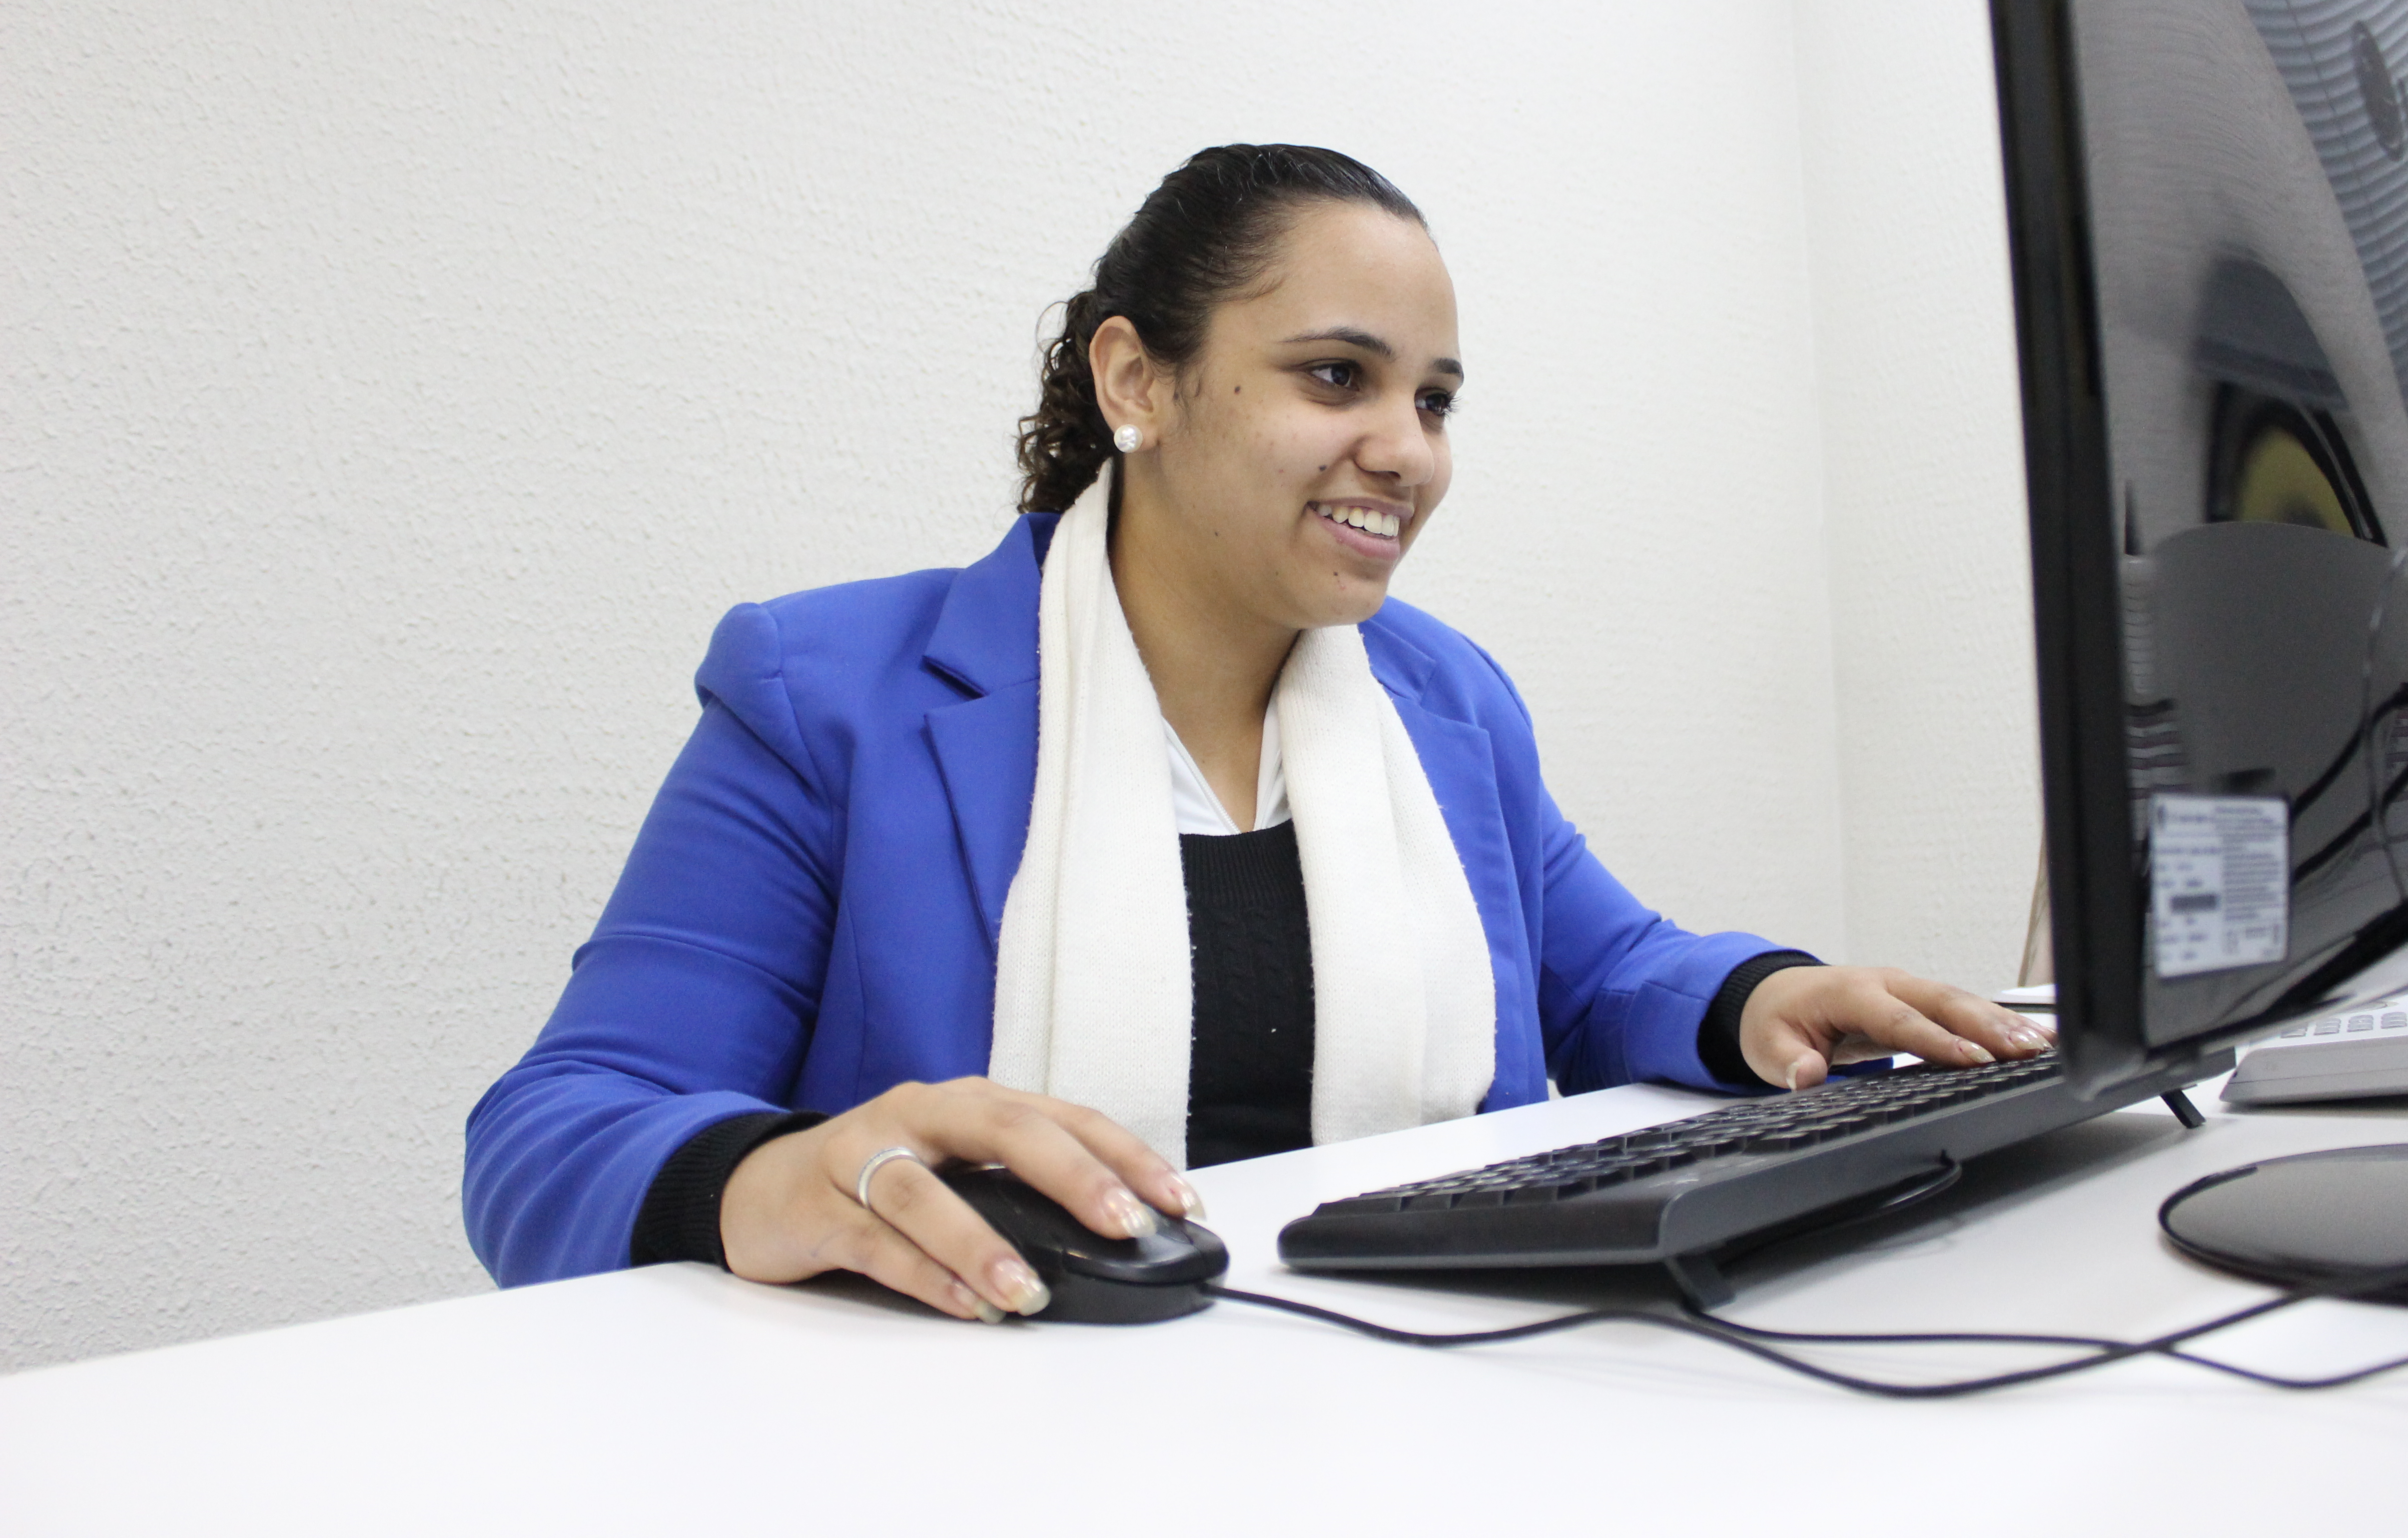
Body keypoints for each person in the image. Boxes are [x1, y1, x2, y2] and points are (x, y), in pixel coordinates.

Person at [463, 144, 2050, 1321]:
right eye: (1335, 376)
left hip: (1427, 1388)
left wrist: (1769, 992)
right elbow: (553, 1132)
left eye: (1435, 399)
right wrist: (769, 1176)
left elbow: (1595, 967)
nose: (1405, 451)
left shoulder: (1444, 698)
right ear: (1137, 378)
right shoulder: (828, 693)